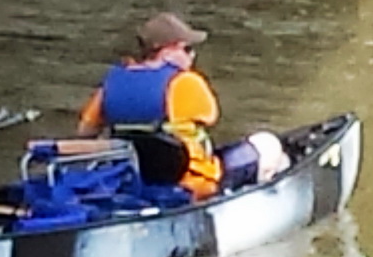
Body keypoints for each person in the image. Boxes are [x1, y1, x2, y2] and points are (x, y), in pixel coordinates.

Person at [76, 13, 285, 200]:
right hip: (190, 183)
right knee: (267, 144)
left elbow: (85, 131)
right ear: (168, 50)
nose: (192, 56)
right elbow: (210, 117)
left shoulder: (113, 83)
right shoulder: (185, 82)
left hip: (132, 180)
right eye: (187, 49)